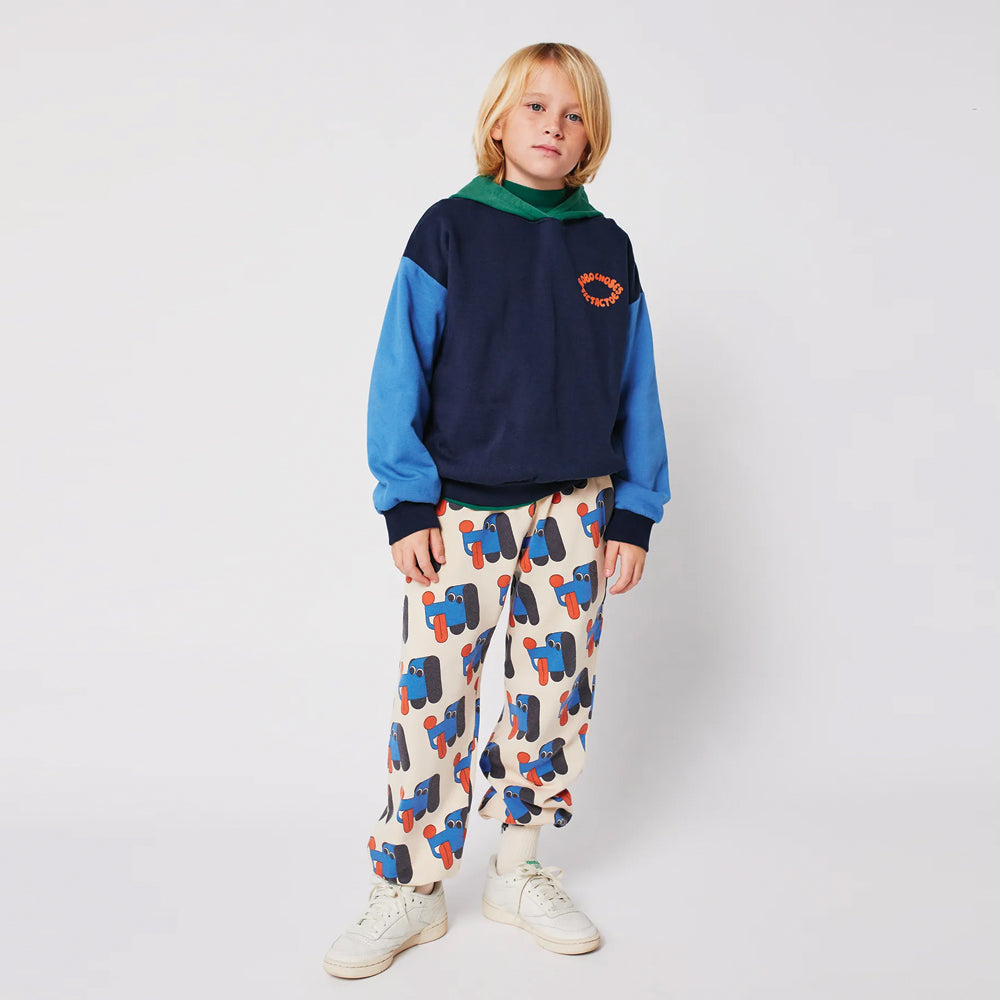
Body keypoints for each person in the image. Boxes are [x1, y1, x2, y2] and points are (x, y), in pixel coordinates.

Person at [323, 41, 671, 979]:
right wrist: (406, 503)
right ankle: (411, 887)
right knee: (435, 695)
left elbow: (637, 386)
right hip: (462, 514)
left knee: (555, 692)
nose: (554, 126)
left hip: (578, 513)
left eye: (573, 114)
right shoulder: (448, 231)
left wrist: (635, 511)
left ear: (592, 137)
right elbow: (399, 368)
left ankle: (517, 868)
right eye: (536, 107)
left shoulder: (608, 249)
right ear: (498, 122)